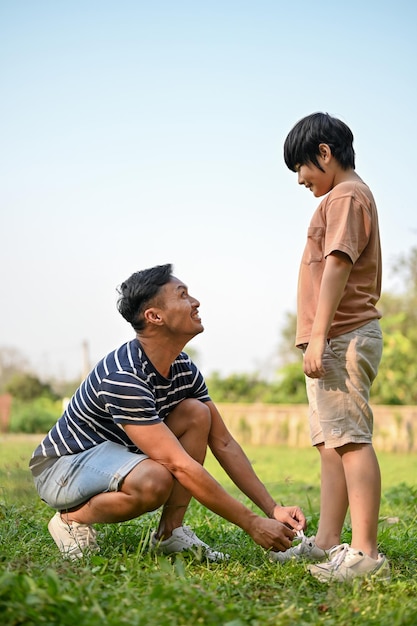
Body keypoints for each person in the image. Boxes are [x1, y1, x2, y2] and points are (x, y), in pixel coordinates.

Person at [30, 264, 305, 562]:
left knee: (197, 413)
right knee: (154, 480)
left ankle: (170, 533)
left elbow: (223, 442)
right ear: (154, 316)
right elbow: (179, 465)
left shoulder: (182, 368)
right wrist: (251, 523)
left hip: (115, 457)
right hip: (62, 468)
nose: (195, 302)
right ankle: (72, 521)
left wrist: (271, 508)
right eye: (183, 295)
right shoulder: (123, 376)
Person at [271, 112, 390, 582]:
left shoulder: (346, 196)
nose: (300, 179)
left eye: (302, 166)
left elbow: (337, 265)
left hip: (342, 333)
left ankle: (365, 554)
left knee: (352, 441)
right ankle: (326, 542)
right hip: (331, 336)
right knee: (330, 443)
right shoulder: (339, 197)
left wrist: (319, 335)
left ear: (325, 153)